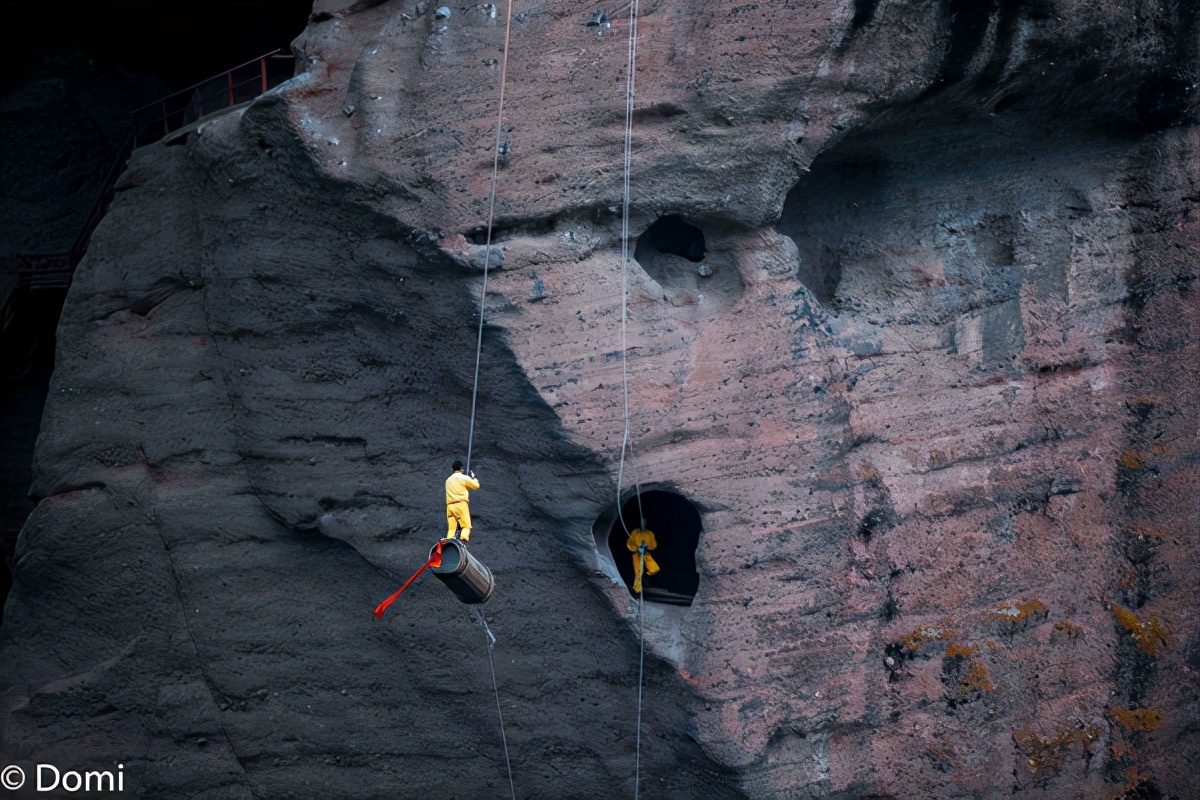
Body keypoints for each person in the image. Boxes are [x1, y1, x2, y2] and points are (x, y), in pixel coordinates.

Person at [445, 460, 480, 541]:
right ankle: (462, 540)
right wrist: (473, 478)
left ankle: (449, 541)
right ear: (461, 468)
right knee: (466, 526)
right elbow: (476, 486)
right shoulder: (464, 478)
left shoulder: (448, 480)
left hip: (450, 507)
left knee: (451, 529)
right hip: (461, 505)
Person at [626, 525, 660, 593]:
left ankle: (644, 577)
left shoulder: (649, 533)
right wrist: (636, 548)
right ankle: (637, 588)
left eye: (644, 523)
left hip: (645, 553)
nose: (642, 524)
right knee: (638, 572)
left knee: (655, 569)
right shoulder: (635, 533)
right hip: (637, 554)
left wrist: (647, 546)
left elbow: (653, 545)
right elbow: (629, 543)